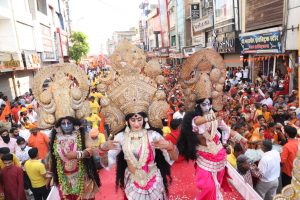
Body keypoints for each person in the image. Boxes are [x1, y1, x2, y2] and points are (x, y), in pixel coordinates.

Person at [100, 112, 178, 199]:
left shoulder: (153, 135)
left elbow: (173, 158)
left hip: (154, 180)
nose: (136, 124)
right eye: (133, 120)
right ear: (127, 121)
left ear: (145, 120)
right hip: (132, 181)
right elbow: (109, 161)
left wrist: (170, 147)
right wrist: (103, 152)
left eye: (139, 120)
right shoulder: (121, 137)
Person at [177, 98, 231, 200]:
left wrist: (225, 141)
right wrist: (215, 115)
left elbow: (226, 129)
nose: (207, 106)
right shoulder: (194, 118)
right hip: (204, 155)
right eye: (203, 104)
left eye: (208, 103)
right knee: (208, 187)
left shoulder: (215, 116)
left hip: (219, 154)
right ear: (197, 105)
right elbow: (198, 122)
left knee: (217, 183)